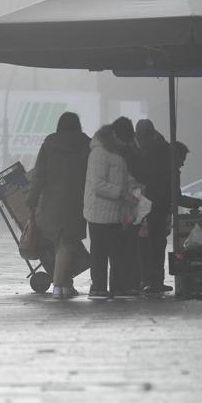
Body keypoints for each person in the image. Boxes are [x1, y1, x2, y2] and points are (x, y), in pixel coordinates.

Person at [131, 120, 202, 294]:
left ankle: (150, 281)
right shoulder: (159, 156)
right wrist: (195, 203)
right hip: (152, 207)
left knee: (151, 246)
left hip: (152, 207)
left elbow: (173, 194)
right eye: (182, 160)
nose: (182, 164)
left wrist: (195, 202)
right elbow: (175, 195)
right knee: (152, 246)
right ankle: (151, 281)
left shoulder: (155, 153)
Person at [26, 112, 91, 298]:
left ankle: (62, 285)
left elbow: (38, 174)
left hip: (51, 202)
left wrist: (31, 200)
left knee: (59, 243)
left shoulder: (50, 143)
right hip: (77, 201)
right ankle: (62, 286)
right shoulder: (86, 144)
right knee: (68, 243)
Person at [83, 116, 138, 299]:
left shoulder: (118, 153)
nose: (125, 144)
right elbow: (97, 184)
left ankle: (118, 287)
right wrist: (122, 193)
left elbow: (122, 178)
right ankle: (98, 287)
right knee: (99, 253)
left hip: (115, 213)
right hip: (98, 213)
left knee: (118, 253)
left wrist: (131, 191)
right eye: (123, 140)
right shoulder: (99, 153)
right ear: (114, 135)